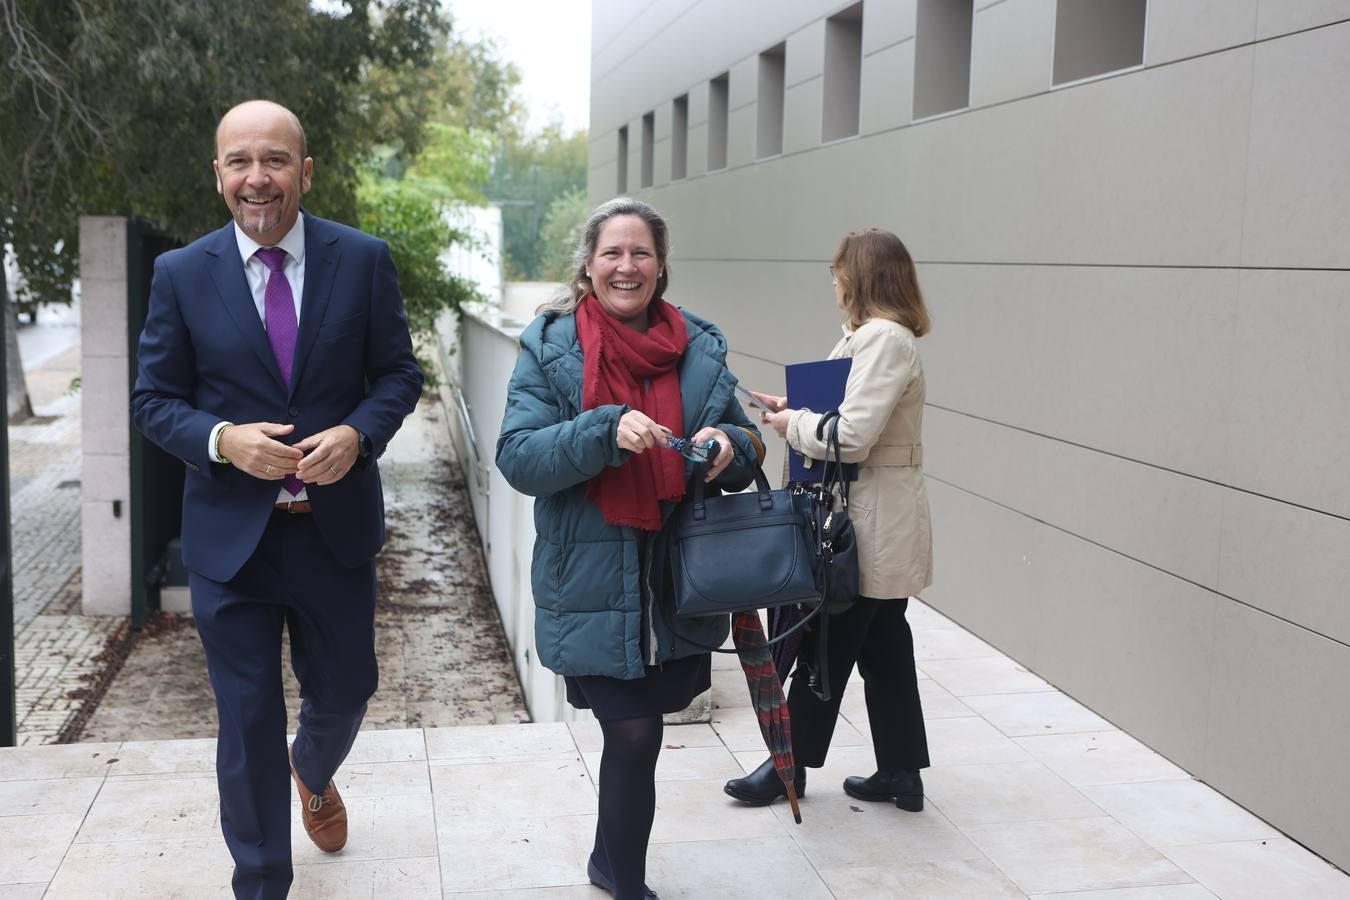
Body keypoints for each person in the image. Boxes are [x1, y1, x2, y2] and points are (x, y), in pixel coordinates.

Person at [131, 99, 422, 898]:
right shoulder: (181, 274)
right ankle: (261, 880)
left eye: (275, 160)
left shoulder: (361, 260)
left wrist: (358, 434)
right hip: (231, 542)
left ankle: (312, 768)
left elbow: (398, 374)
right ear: (218, 174)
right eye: (240, 162)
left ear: (306, 171)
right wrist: (224, 439)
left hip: (333, 530)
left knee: (347, 690)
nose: (257, 178)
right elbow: (153, 401)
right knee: (248, 718)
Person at [496, 197, 763, 900]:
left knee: (639, 738)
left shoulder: (697, 347)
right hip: (589, 579)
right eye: (612, 252)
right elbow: (519, 457)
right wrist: (602, 432)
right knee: (636, 734)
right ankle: (627, 883)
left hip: (675, 581)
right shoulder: (551, 345)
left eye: (640, 252)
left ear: (661, 266)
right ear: (588, 265)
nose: (626, 265)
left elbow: (746, 442)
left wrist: (729, 446)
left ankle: (607, 860)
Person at [724, 228, 934, 813]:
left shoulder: (883, 339)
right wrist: (792, 411)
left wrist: (792, 425)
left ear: (860, 276)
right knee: (885, 646)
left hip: (872, 522)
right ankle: (901, 771)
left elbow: (853, 434)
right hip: (875, 516)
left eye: (839, 270)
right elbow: (845, 414)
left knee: (829, 641)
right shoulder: (871, 337)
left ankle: (785, 768)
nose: (835, 281)